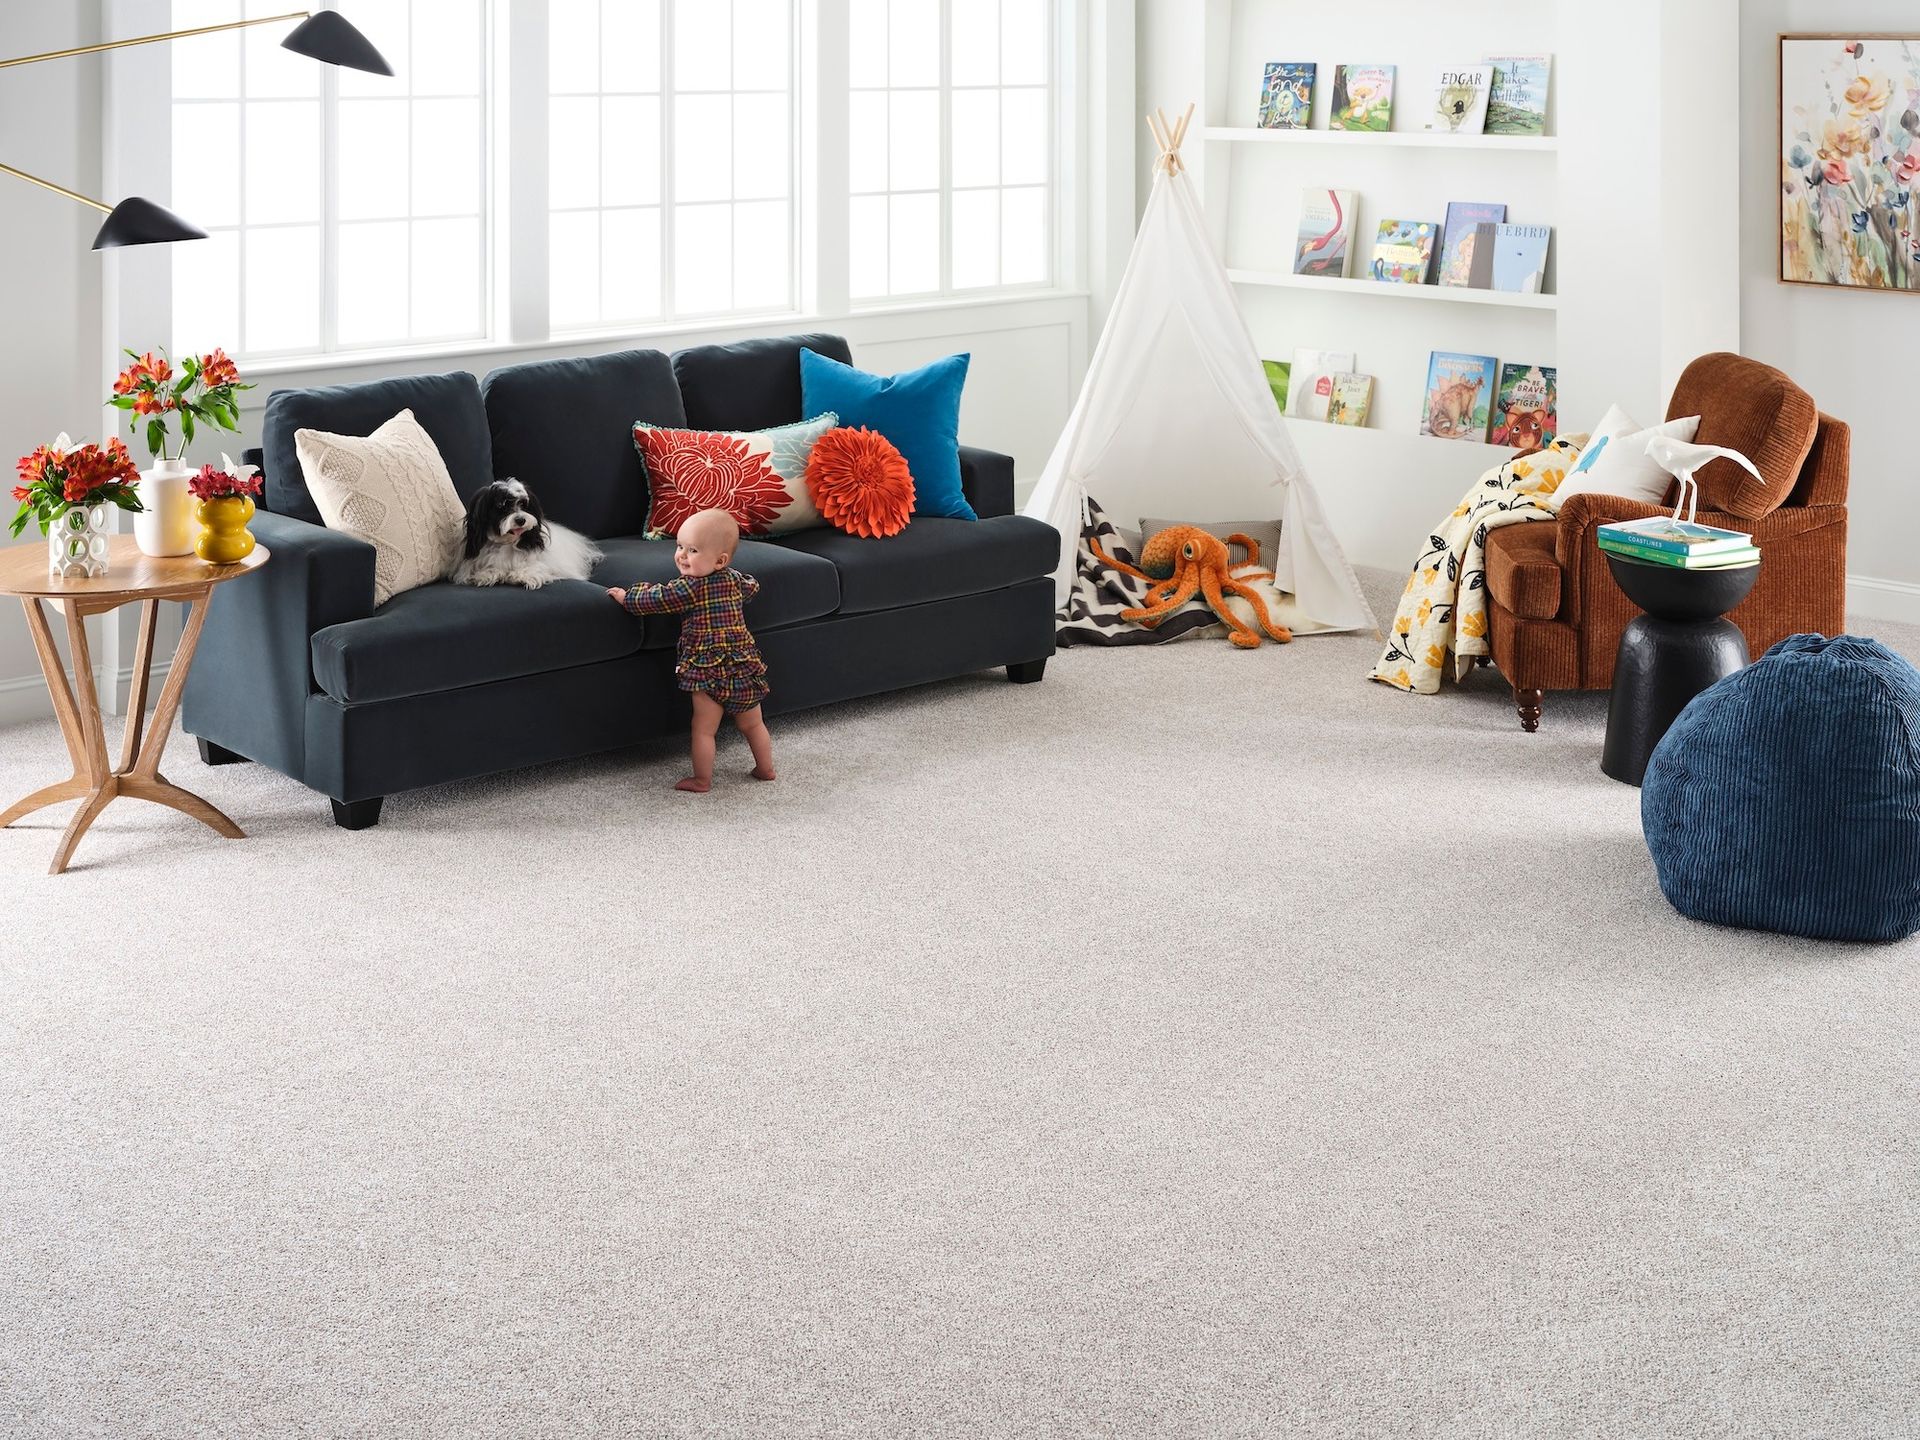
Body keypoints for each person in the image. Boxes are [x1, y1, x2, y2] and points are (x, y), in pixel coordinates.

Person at [606, 508, 775, 793]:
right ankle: (765, 768)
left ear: (720, 560)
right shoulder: (734, 579)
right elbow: (752, 586)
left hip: (707, 671)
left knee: (704, 729)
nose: (682, 555)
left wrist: (627, 597)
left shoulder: (688, 588)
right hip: (745, 666)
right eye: (679, 546)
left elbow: (655, 598)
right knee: (754, 724)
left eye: (693, 550)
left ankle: (701, 780)